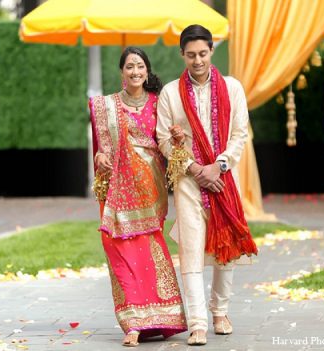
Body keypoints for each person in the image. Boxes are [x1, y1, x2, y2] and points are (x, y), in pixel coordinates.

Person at [156, 25, 258, 346]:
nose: (197, 60)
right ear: (182, 55)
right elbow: (162, 138)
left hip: (224, 180)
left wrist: (219, 165)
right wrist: (194, 167)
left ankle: (220, 311)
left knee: (225, 247)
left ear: (212, 51)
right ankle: (198, 321)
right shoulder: (171, 93)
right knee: (191, 248)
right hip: (189, 183)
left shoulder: (233, 88)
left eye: (202, 53)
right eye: (190, 55)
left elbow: (239, 133)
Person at [89, 47, 187, 347]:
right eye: (129, 66)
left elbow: (170, 146)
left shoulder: (160, 104)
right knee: (119, 251)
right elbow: (100, 150)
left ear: (147, 71)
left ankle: (161, 317)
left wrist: (180, 139)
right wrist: (101, 158)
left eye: (140, 66)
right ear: (122, 71)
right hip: (117, 193)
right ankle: (132, 322)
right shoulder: (105, 107)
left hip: (149, 193)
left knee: (148, 252)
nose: (135, 72)